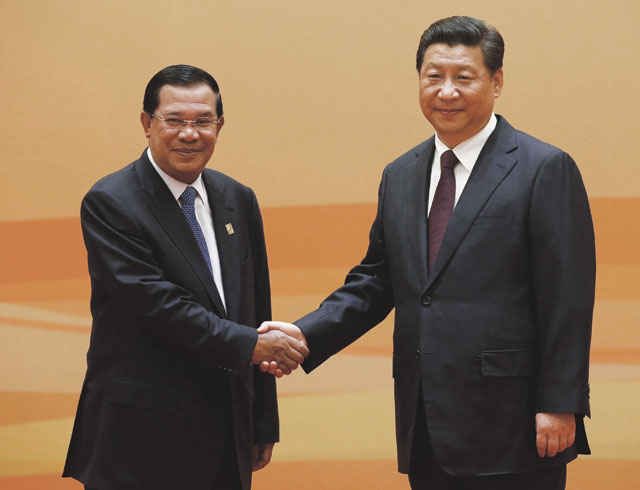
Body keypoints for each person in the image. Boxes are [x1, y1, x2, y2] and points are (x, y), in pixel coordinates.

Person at [260, 16, 595, 489]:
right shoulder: (401, 174)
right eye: (433, 76)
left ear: (496, 82)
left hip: (514, 423)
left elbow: (567, 298)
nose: (446, 91)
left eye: (464, 77)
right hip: (426, 422)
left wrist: (561, 402)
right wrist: (302, 334)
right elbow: (376, 281)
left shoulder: (543, 168)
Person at [63, 64, 308, 490]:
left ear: (220, 125)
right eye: (174, 120)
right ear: (147, 123)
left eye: (202, 121)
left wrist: (262, 420)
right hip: (141, 440)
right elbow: (156, 307)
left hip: (225, 436)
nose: (189, 134)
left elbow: (256, 308)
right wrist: (252, 344)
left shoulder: (237, 198)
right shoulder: (111, 202)